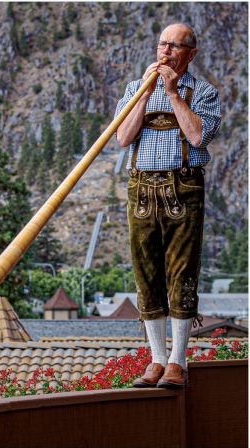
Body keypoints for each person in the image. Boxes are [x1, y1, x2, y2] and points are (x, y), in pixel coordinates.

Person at [115, 23, 221, 388]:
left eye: (176, 47)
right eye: (163, 44)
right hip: (141, 187)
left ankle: (178, 360)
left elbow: (198, 135)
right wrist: (145, 95)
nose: (167, 52)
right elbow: (123, 137)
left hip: (183, 185)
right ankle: (156, 359)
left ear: (190, 54)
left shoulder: (204, 92)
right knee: (146, 272)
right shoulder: (134, 88)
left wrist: (174, 94)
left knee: (181, 271)